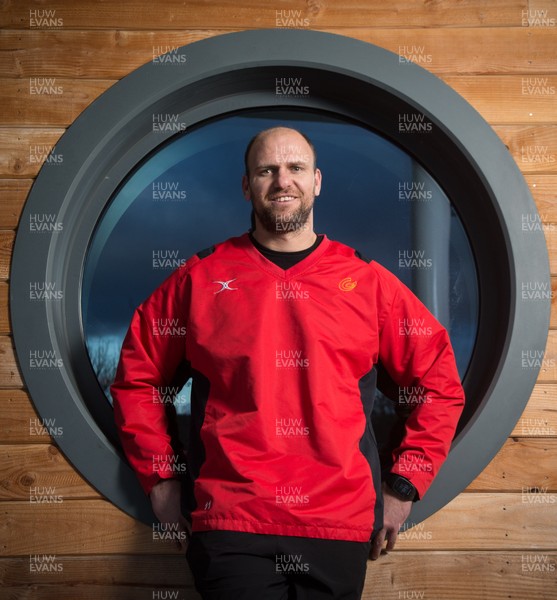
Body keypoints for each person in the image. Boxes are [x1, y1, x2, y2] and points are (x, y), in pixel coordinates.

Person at [111, 126, 465, 599]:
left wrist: (403, 485)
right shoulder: (200, 279)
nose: (283, 181)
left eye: (295, 168)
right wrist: (160, 478)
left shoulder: (367, 283)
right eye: (267, 170)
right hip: (233, 522)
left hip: (337, 525)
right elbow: (140, 379)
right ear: (247, 186)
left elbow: (438, 383)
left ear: (317, 181)